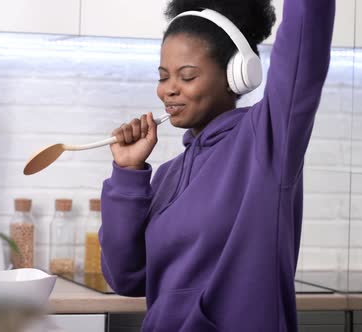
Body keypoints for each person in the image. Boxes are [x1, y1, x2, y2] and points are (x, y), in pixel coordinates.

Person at [98, 0, 335, 330]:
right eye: (164, 76)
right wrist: (127, 174)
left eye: (187, 75)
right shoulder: (166, 177)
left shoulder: (264, 142)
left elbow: (304, 47)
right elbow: (126, 277)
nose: (169, 89)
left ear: (237, 75)